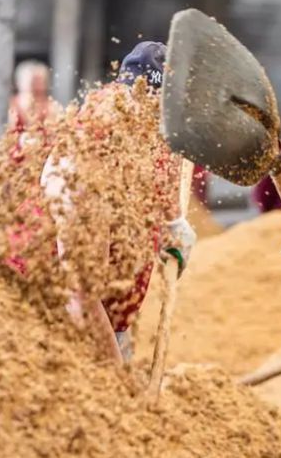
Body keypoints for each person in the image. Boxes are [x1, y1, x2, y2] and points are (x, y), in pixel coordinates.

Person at [40, 41, 196, 364]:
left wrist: (174, 223)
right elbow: (81, 296)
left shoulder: (150, 134)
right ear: (134, 99)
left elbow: (162, 171)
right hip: (65, 336)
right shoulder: (85, 160)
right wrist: (115, 377)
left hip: (113, 323)